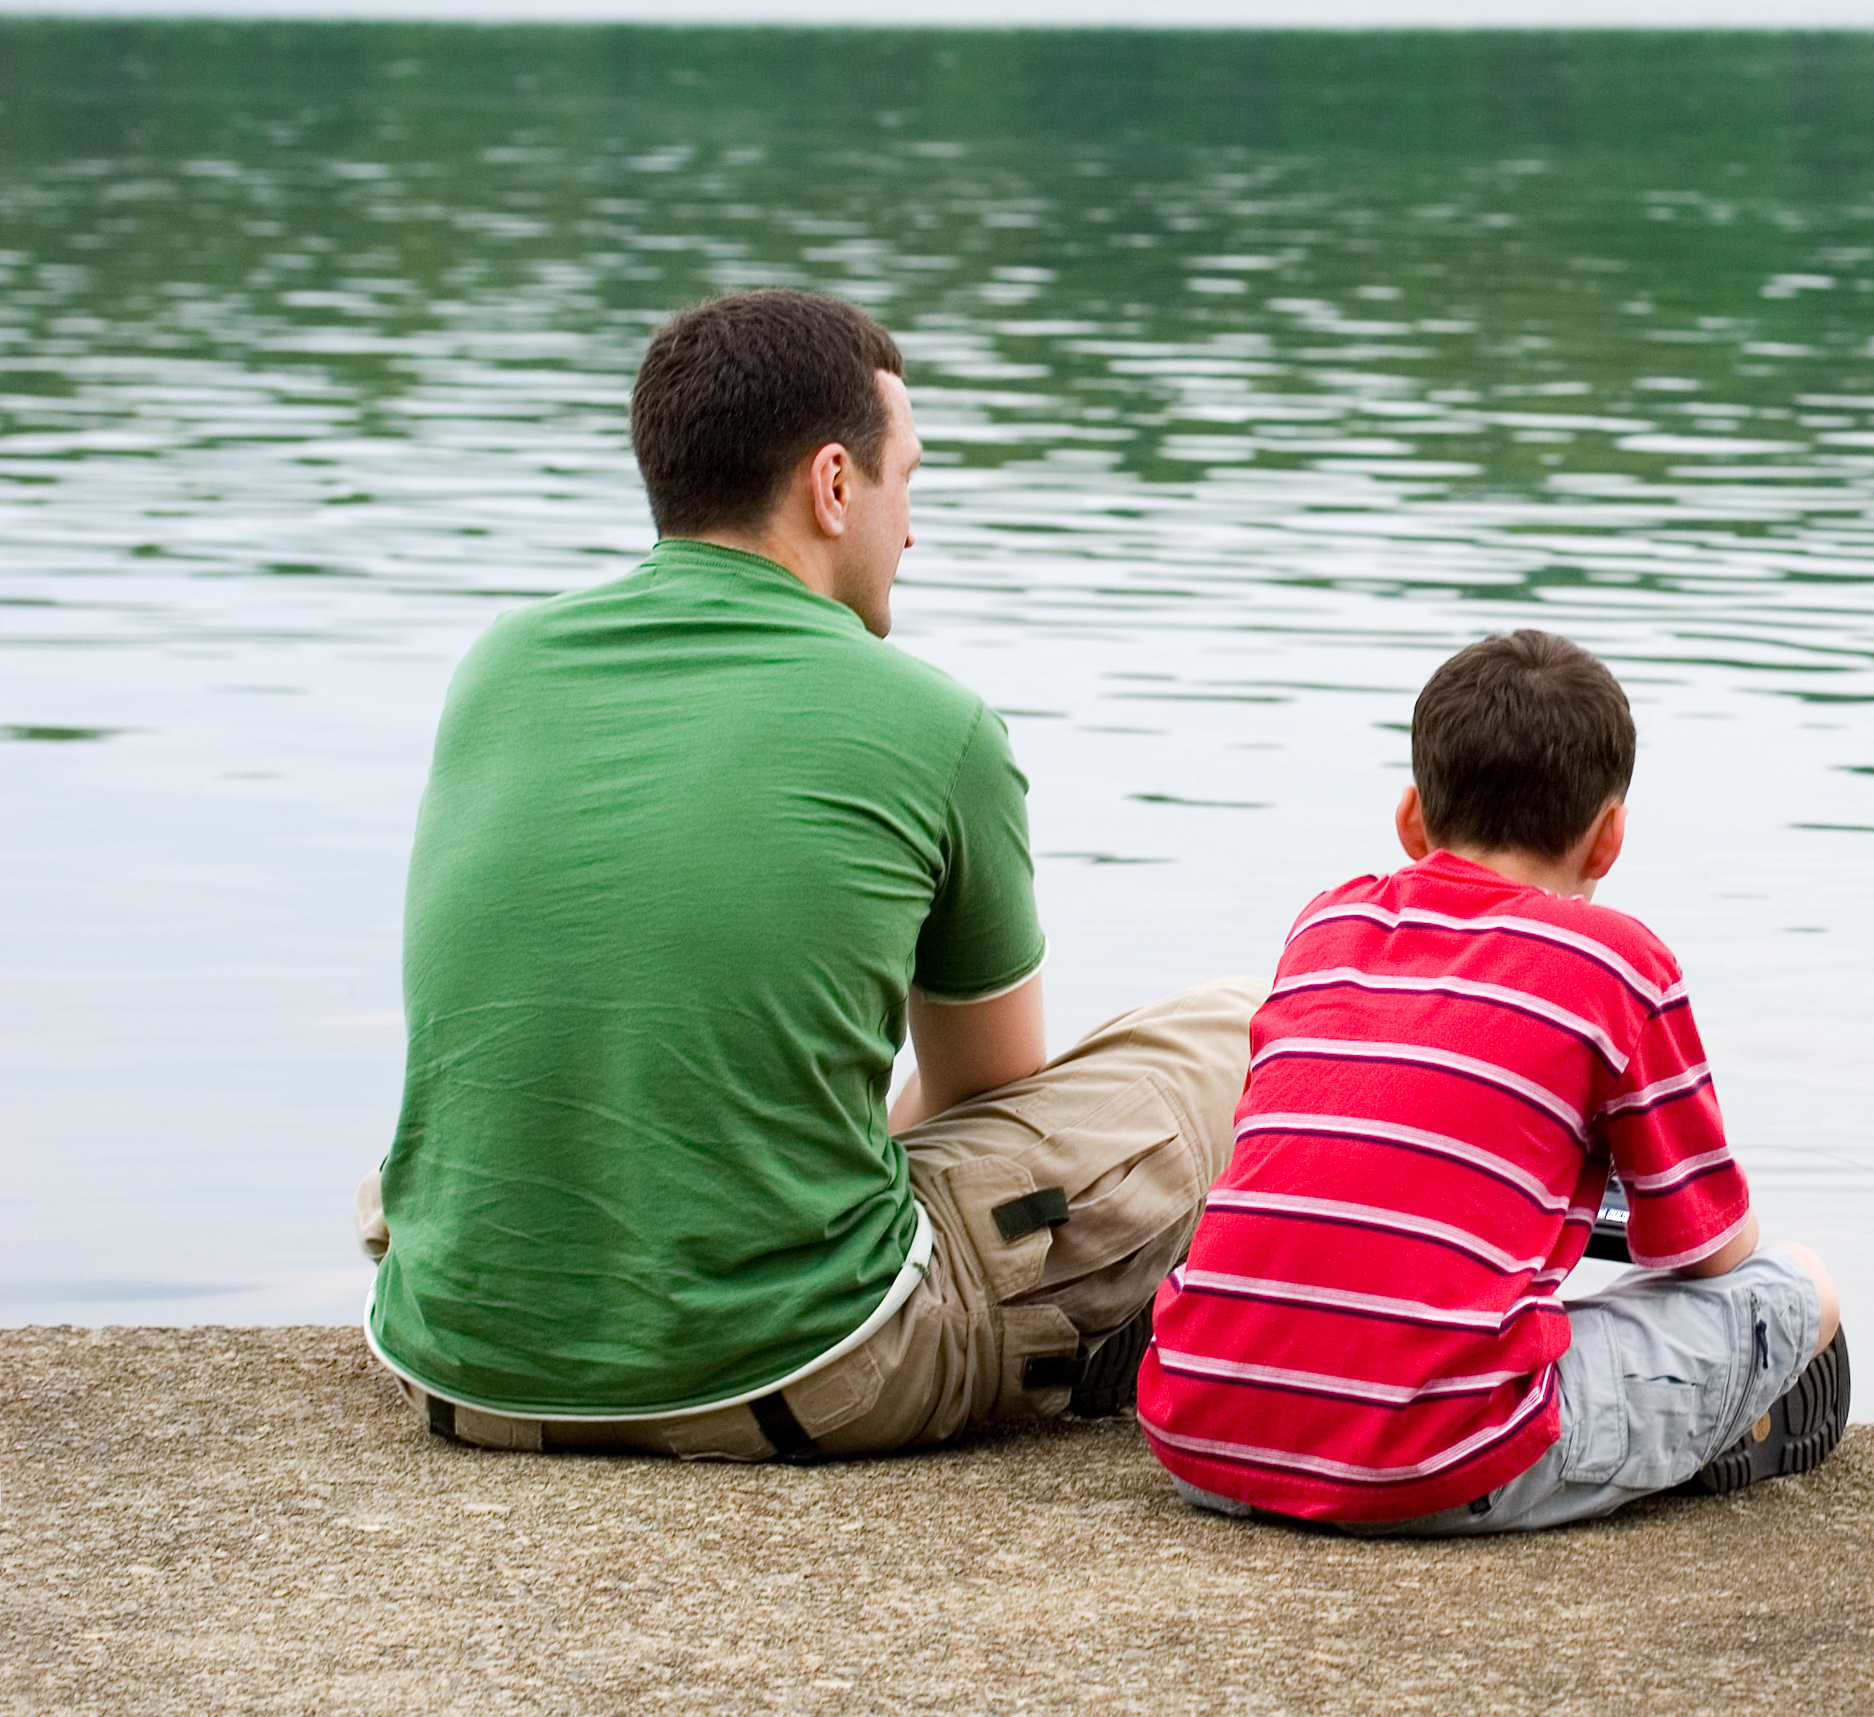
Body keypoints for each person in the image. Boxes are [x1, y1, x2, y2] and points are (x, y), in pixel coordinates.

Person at [357, 288, 1255, 1460]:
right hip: (809, 1367)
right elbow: (988, 1083)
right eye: (908, 481)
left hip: (456, 1365)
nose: (913, 528)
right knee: (1233, 1030)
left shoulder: (501, 665)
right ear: (834, 486)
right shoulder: (935, 722)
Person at [1132, 629, 1849, 1533]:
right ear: (1608, 838)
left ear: (1411, 820)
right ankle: (1696, 1426)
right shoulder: (1618, 959)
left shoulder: (1325, 926)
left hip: (1199, 1437)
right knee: (1798, 1286)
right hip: (1443, 1465)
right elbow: (1702, 1250)